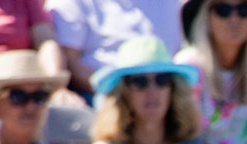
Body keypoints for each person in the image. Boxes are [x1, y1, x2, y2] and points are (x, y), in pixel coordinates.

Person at [81, 32, 203, 144]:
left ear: (173, 89)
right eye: (140, 82)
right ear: (123, 93)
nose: (152, 91)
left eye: (162, 80)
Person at [176, 0, 247, 144]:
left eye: (244, 10)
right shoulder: (188, 66)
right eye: (223, 10)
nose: (234, 19)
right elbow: (187, 139)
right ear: (206, 16)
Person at [44, 0, 181, 94]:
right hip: (99, 97)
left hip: (165, 92)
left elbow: (178, 53)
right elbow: (70, 61)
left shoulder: (170, 3)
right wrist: (123, 90)